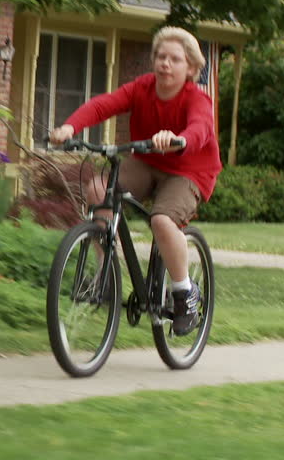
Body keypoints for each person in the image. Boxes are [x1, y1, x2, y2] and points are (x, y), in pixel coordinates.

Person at [49, 26, 221, 336]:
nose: (164, 63)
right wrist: (69, 128)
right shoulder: (142, 88)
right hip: (146, 160)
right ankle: (106, 273)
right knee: (98, 190)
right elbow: (104, 104)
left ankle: (184, 293)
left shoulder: (197, 99)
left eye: (174, 59)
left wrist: (179, 140)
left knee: (163, 222)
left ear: (191, 68)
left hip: (189, 169)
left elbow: (200, 129)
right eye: (160, 56)